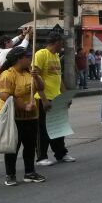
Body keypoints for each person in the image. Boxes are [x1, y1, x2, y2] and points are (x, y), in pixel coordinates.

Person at [0, 47, 46, 186]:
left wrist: (36, 77)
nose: (30, 59)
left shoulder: (31, 72)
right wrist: (23, 106)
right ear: (19, 59)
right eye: (27, 57)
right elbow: (5, 95)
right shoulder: (7, 74)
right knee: (13, 147)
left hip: (31, 116)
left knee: (30, 146)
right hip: (14, 117)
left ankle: (30, 172)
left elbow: (41, 88)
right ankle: (10, 174)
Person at [34, 33, 75, 166]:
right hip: (43, 98)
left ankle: (61, 153)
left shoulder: (56, 56)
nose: (62, 46)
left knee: (59, 128)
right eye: (61, 43)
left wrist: (65, 96)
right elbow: (35, 78)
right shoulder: (41, 54)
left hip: (57, 98)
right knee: (43, 130)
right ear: (56, 42)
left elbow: (59, 78)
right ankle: (41, 157)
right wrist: (44, 99)